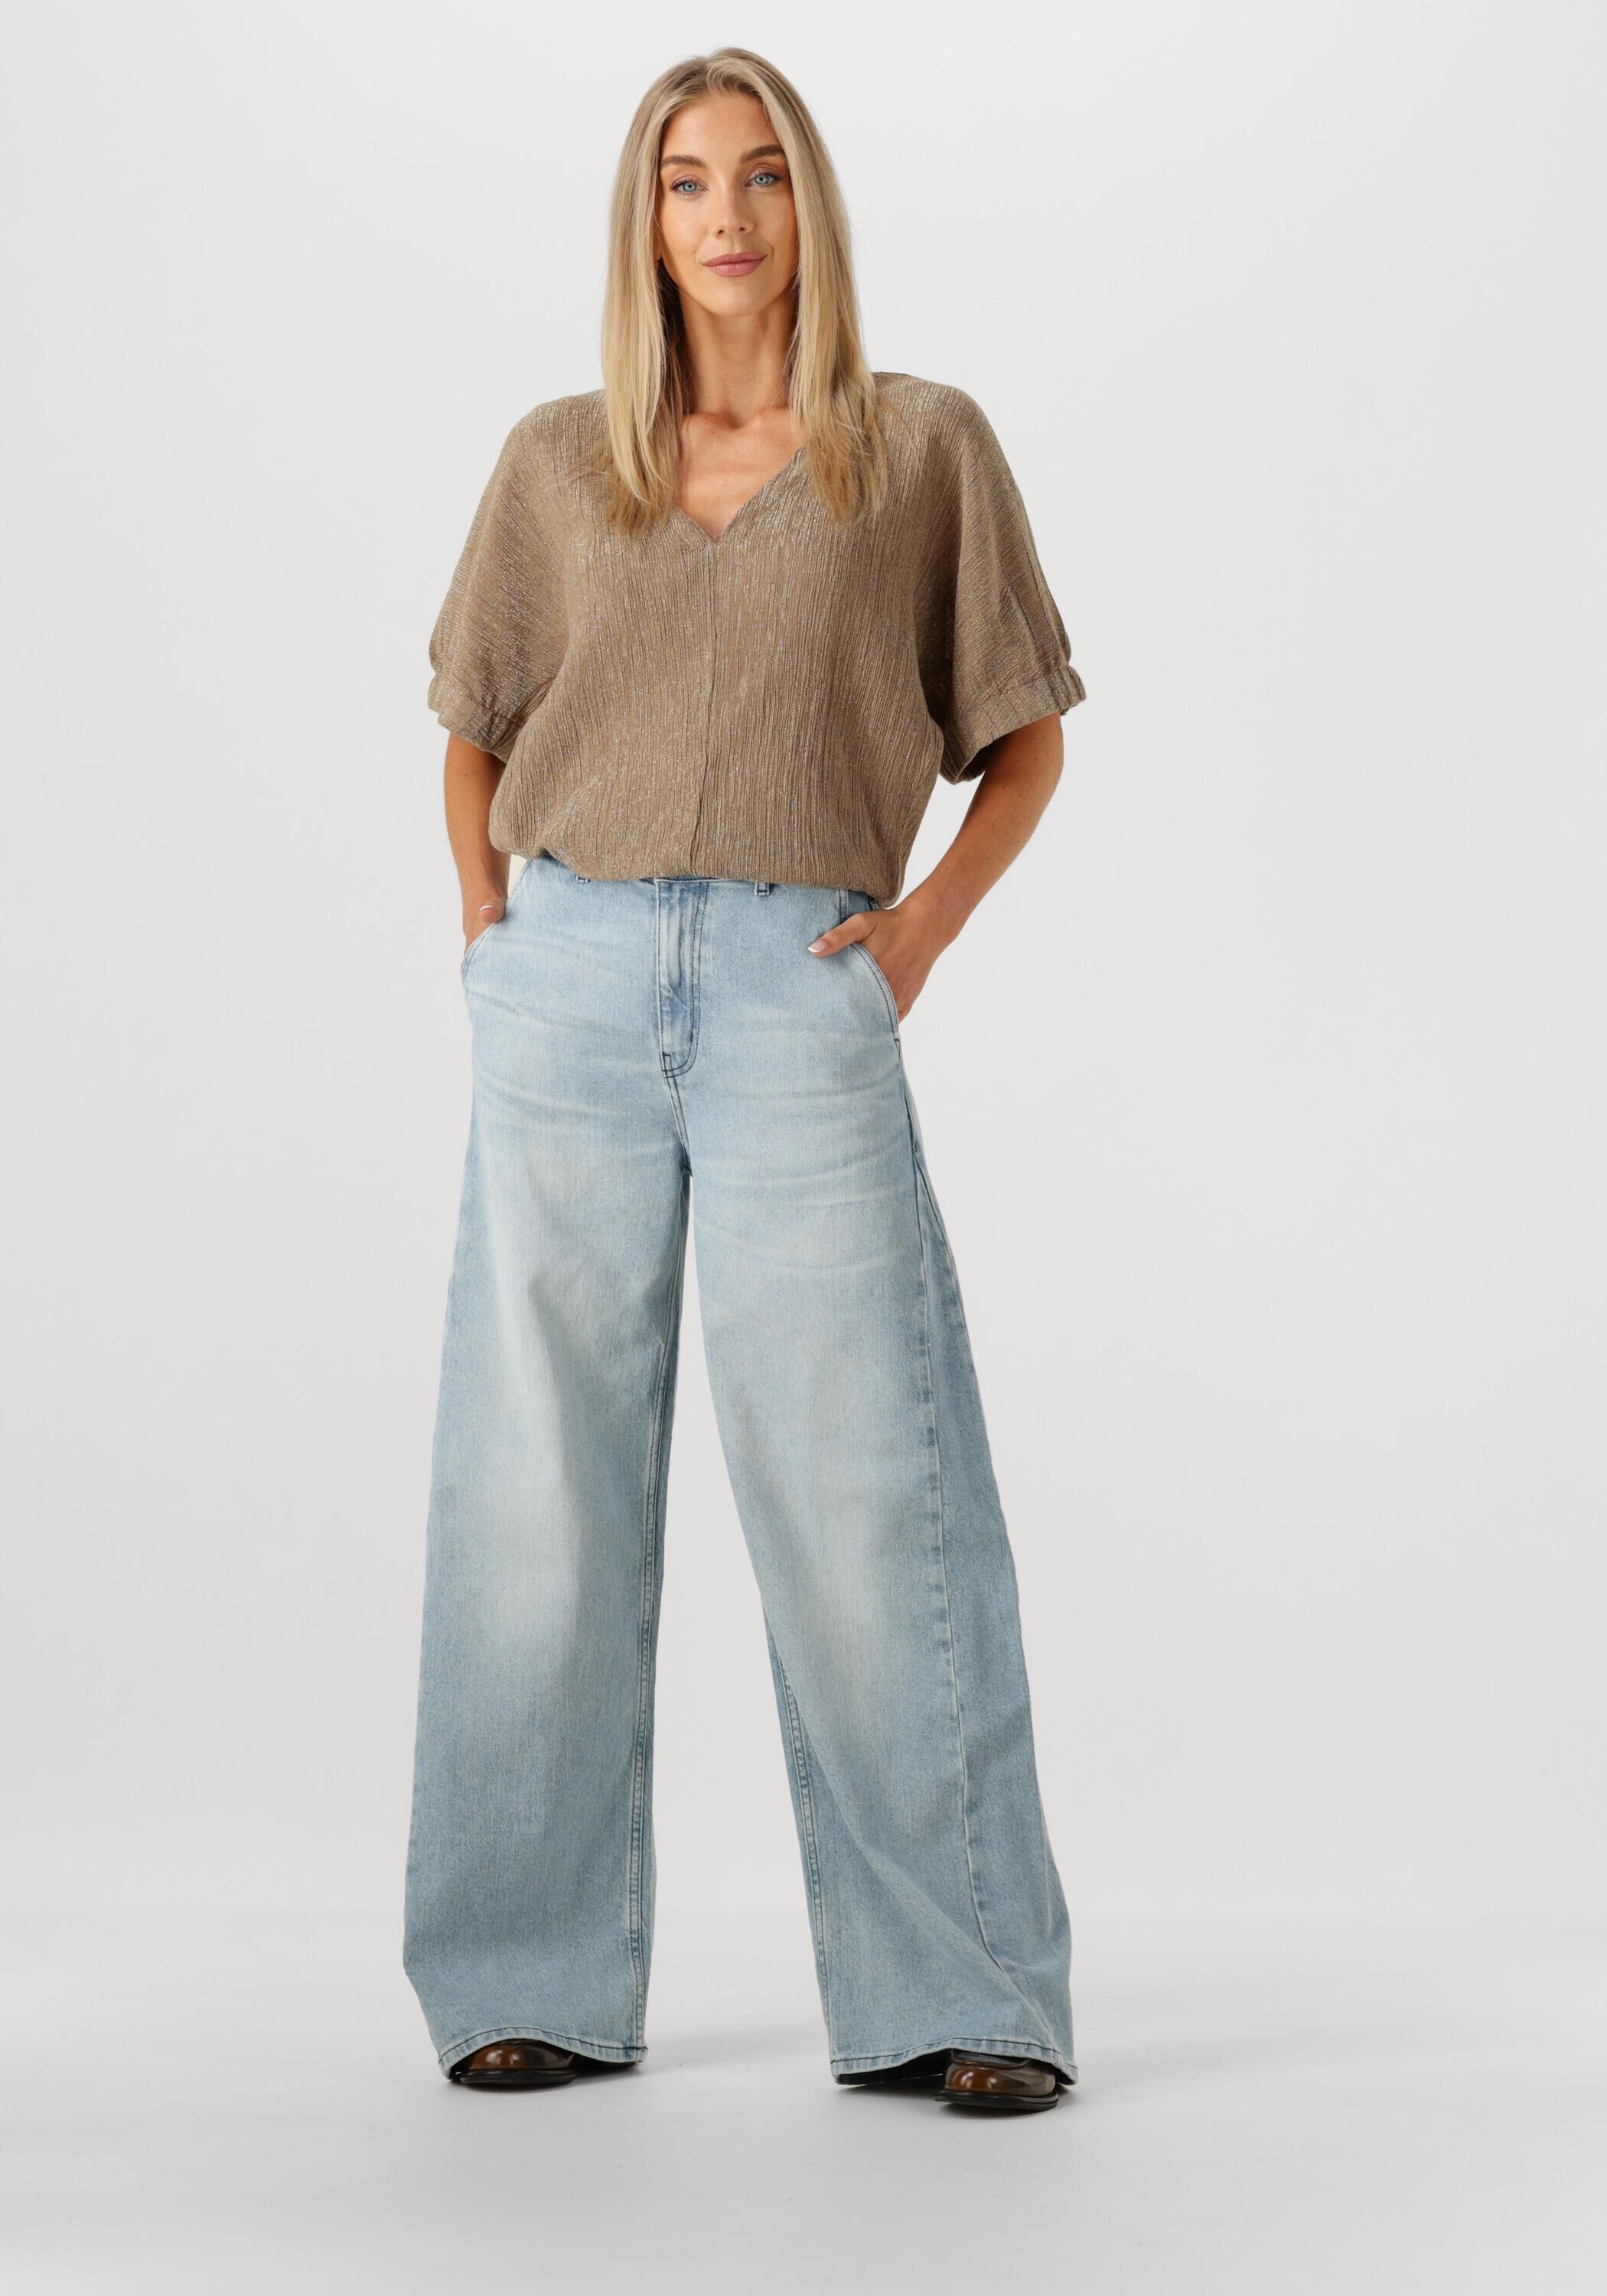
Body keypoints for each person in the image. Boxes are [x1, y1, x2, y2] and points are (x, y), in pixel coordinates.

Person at [401, 46, 1086, 2117]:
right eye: (688, 180)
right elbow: (473, 721)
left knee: (871, 1479)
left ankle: (964, 1990)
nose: (726, 216)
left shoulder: (917, 448)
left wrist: (920, 931)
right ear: (646, 220)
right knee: (533, 1486)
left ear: (811, 209)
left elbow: (1025, 735)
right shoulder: (558, 460)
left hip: (805, 985)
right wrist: (488, 923)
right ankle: (521, 1974)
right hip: (569, 978)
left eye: (762, 176)